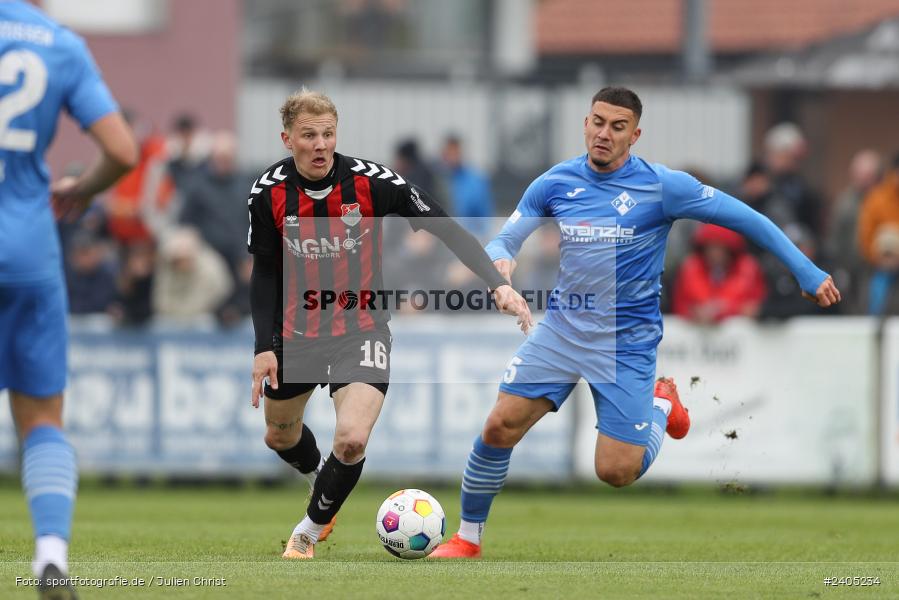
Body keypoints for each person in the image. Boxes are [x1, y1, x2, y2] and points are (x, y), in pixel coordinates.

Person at [430, 86, 840, 559]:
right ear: (585, 123)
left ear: (635, 135)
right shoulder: (555, 183)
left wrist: (806, 270)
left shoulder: (665, 187)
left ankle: (662, 406)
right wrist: (500, 267)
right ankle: (467, 539)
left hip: (627, 342)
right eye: (597, 122)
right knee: (500, 425)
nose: (604, 134)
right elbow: (506, 239)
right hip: (563, 330)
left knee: (615, 471)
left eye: (617, 127)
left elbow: (750, 219)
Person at [247, 89, 532, 560]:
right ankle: (321, 480)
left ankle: (308, 531)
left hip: (361, 327)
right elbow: (263, 273)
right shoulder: (268, 193)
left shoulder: (370, 182)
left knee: (353, 438)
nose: (320, 145)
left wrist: (495, 285)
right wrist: (264, 346)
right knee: (279, 435)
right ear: (287, 139)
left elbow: (446, 226)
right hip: (297, 333)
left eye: (328, 134)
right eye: (309, 135)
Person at [0, 2, 138, 597]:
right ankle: (50, 557)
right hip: (28, 247)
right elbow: (124, 152)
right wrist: (81, 190)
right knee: (41, 421)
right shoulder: (61, 43)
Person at [671, 224, 768, 324]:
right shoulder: (690, 267)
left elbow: (754, 306)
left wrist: (722, 310)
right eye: (711, 247)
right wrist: (695, 312)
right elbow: (682, 305)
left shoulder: (748, 268)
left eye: (720, 247)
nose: (714, 253)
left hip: (737, 331)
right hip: (698, 330)